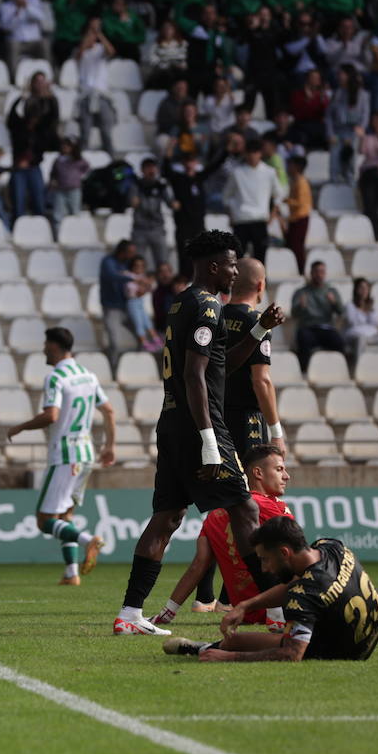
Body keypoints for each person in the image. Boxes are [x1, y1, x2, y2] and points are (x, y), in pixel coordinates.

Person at [115, 230, 284, 636]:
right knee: (245, 510)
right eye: (229, 264)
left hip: (172, 423)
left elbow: (221, 362)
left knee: (168, 516)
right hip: (199, 425)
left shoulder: (182, 303)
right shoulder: (208, 304)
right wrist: (209, 440)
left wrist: (259, 329)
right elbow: (195, 376)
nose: (233, 271)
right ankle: (276, 614)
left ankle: (129, 614)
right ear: (213, 267)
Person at [163, 516, 378, 662]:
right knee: (238, 640)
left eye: (265, 559)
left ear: (284, 552)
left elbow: (292, 654)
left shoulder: (303, 597)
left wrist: (228, 657)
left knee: (238, 644)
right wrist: (246, 605)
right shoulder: (332, 547)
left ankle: (200, 649)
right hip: (374, 631)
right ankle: (204, 648)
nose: (264, 568)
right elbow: (298, 584)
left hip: (346, 651)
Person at [6, 328, 113, 585]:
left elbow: (51, 416)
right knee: (65, 516)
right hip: (86, 453)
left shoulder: (55, 377)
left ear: (53, 346)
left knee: (44, 521)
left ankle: (89, 540)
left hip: (65, 454)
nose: (43, 349)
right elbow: (109, 410)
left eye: (45, 344)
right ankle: (71, 573)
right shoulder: (87, 375)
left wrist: (20, 427)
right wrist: (111, 446)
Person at [151, 443, 291, 630]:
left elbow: (198, 567)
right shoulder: (272, 507)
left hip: (246, 611)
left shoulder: (214, 515)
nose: (286, 476)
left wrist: (167, 612)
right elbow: (296, 557)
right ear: (258, 473)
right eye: (279, 469)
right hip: (280, 606)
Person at [222, 257, 284, 457]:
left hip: (215, 414)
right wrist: (276, 433)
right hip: (246, 419)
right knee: (248, 483)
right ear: (260, 284)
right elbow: (261, 380)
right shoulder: (258, 322)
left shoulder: (215, 315)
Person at [223, 140, 286, 262]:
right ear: (246, 154)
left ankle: (260, 282)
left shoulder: (269, 172)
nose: (252, 156)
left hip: (260, 220)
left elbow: (279, 194)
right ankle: (238, 282)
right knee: (238, 259)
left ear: (260, 154)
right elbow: (226, 196)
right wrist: (231, 214)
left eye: (255, 152)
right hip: (241, 220)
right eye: (250, 153)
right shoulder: (237, 172)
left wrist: (273, 213)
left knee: (261, 258)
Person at [6, 73, 58, 221]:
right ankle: (16, 228)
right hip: (18, 169)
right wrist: (20, 99)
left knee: (39, 203)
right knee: (18, 204)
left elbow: (53, 116)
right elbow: (11, 118)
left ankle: (40, 228)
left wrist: (50, 97)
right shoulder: (18, 128)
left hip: (34, 167)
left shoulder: (42, 130)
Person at [75, 19, 116, 155]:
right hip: (86, 95)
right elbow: (80, 53)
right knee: (85, 131)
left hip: (102, 95)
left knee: (106, 131)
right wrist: (90, 36)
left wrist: (100, 35)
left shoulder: (100, 49)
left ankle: (111, 160)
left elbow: (111, 51)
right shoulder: (82, 51)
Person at [128, 158, 177, 270]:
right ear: (142, 170)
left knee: (163, 261)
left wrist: (174, 203)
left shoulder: (160, 185)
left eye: (153, 167)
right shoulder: (137, 185)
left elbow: (170, 202)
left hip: (157, 228)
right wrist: (134, 201)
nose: (151, 170)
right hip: (140, 229)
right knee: (137, 261)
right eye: (148, 168)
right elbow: (132, 201)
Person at [327, 66, 370, 183]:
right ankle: (334, 185)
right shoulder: (337, 93)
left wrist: (360, 129)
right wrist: (330, 134)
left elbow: (365, 115)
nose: (339, 76)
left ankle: (350, 188)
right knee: (334, 163)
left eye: (341, 74)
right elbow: (329, 116)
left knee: (351, 164)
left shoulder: (363, 95)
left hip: (353, 133)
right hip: (337, 132)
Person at [98, 239, 139, 365]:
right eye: (131, 252)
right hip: (112, 307)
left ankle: (140, 363)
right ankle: (114, 368)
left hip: (128, 306)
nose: (133, 255)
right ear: (123, 252)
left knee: (141, 334)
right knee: (114, 341)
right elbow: (112, 276)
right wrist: (133, 277)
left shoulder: (127, 264)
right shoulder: (108, 262)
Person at [0, 0, 51, 72]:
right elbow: (6, 27)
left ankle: (48, 75)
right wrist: (17, 11)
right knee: (12, 46)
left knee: (45, 44)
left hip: (35, 41)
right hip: (17, 41)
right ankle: (14, 78)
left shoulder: (34, 1)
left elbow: (41, 17)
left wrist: (26, 6)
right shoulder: (5, 6)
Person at [125, 256, 164, 352]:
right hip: (132, 303)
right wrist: (145, 285)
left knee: (147, 322)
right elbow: (135, 292)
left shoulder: (142, 277)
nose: (139, 268)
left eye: (142, 266)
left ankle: (156, 340)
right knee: (139, 323)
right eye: (136, 266)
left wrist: (145, 285)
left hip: (140, 303)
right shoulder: (128, 275)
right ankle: (144, 343)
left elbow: (151, 287)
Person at [47, 136, 89, 221]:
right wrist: (53, 181)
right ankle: (59, 232)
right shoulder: (58, 160)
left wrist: (77, 178)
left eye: (68, 145)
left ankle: (74, 231)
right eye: (64, 145)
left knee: (75, 213)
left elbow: (86, 169)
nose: (65, 147)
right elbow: (53, 173)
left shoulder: (79, 160)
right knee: (58, 215)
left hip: (74, 190)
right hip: (60, 190)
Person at [283, 155, 312, 273]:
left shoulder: (301, 182)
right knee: (292, 245)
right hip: (295, 218)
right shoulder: (295, 181)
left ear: (297, 167)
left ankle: (300, 270)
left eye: (290, 165)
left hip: (300, 217)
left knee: (297, 247)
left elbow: (300, 202)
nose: (288, 168)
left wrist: (286, 200)